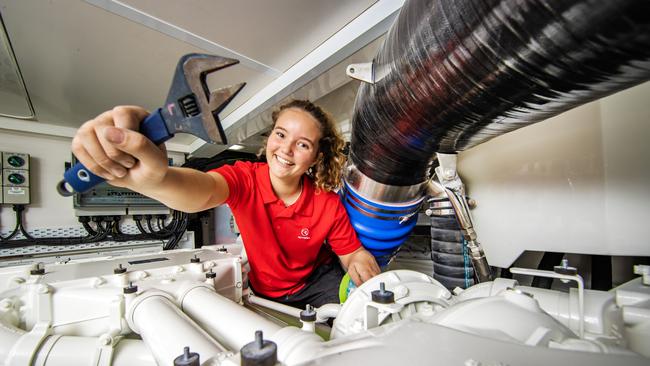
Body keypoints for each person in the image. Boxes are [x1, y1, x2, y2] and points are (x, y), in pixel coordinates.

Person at [71, 99, 380, 308]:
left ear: (316, 157)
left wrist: (363, 272)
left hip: (314, 284)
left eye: (302, 144)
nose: (285, 149)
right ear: (269, 137)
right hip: (263, 292)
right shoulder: (244, 178)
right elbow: (203, 192)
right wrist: (158, 179)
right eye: (280, 134)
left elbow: (351, 252)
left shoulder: (326, 203)